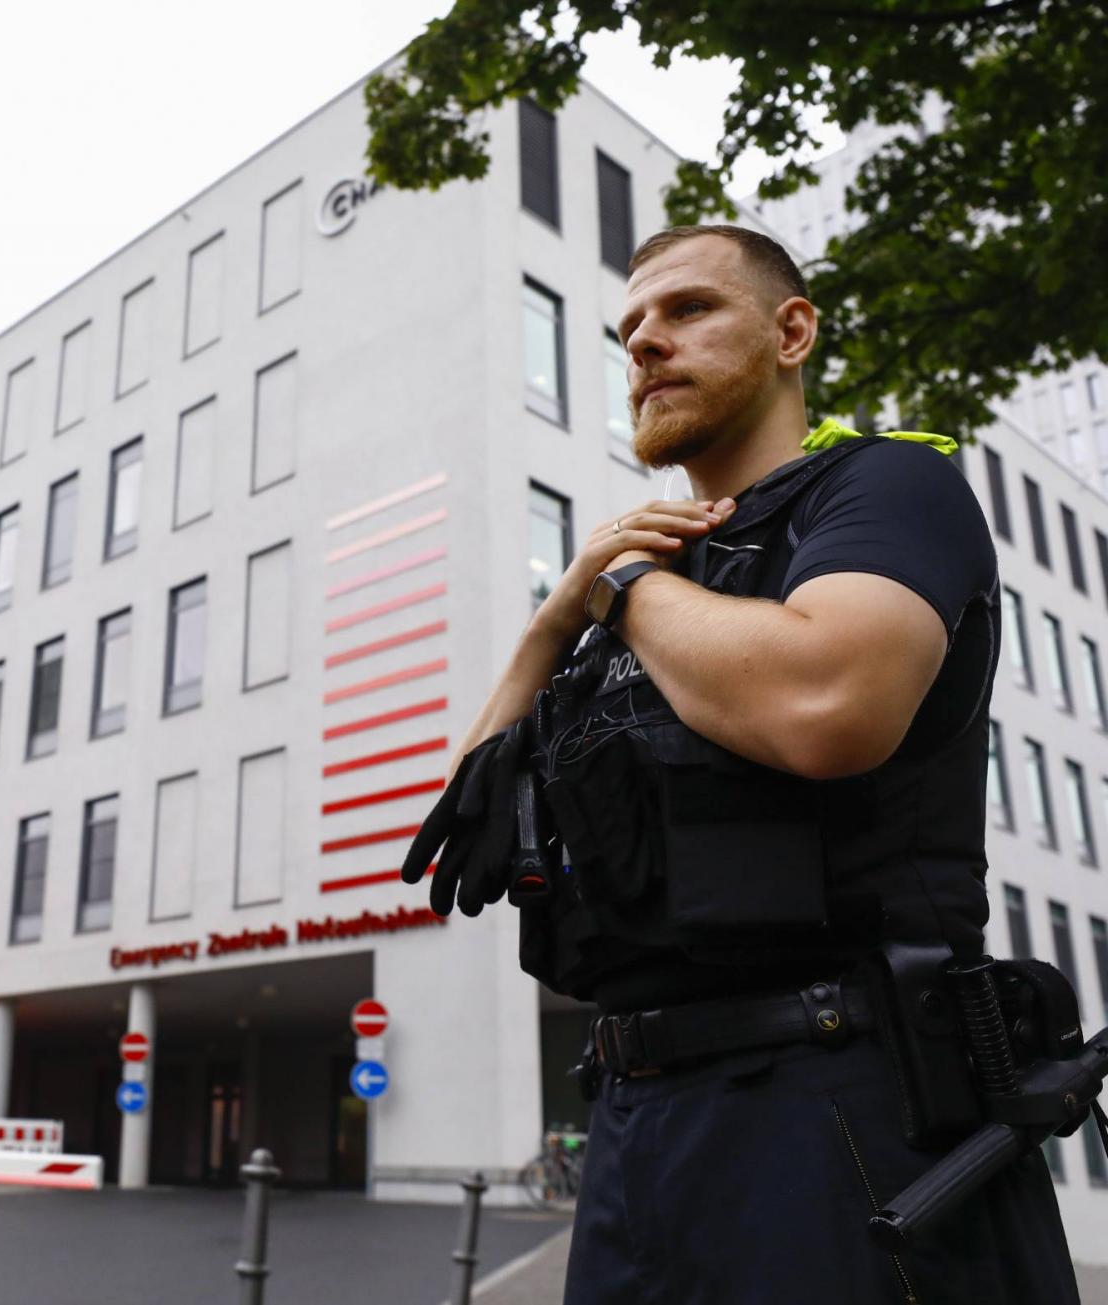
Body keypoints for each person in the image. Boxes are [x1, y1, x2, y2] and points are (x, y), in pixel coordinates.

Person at [403, 224, 1081, 1303]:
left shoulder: (884, 488)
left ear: (790, 331)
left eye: (687, 311)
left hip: (840, 1117)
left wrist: (625, 588)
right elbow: (474, 827)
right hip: (634, 1134)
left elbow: (823, 704)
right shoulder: (637, 590)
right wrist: (557, 616)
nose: (645, 346)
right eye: (628, 330)